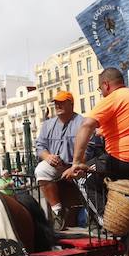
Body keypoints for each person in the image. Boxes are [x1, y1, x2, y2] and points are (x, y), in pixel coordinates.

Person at [61, 67, 129, 182]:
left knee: (83, 179)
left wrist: (77, 163)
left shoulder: (113, 98)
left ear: (106, 85)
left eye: (100, 89)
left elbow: (86, 125)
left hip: (128, 162)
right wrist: (102, 132)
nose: (101, 93)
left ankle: (110, 200)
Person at [33, 91, 85, 224]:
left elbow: (90, 149)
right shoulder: (48, 124)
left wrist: (74, 165)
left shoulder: (82, 123)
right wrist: (48, 157)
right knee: (41, 170)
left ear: (71, 104)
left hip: (78, 166)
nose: (57, 105)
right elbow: (40, 146)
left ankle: (93, 217)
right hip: (57, 167)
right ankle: (57, 212)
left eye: (61, 102)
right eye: (56, 103)